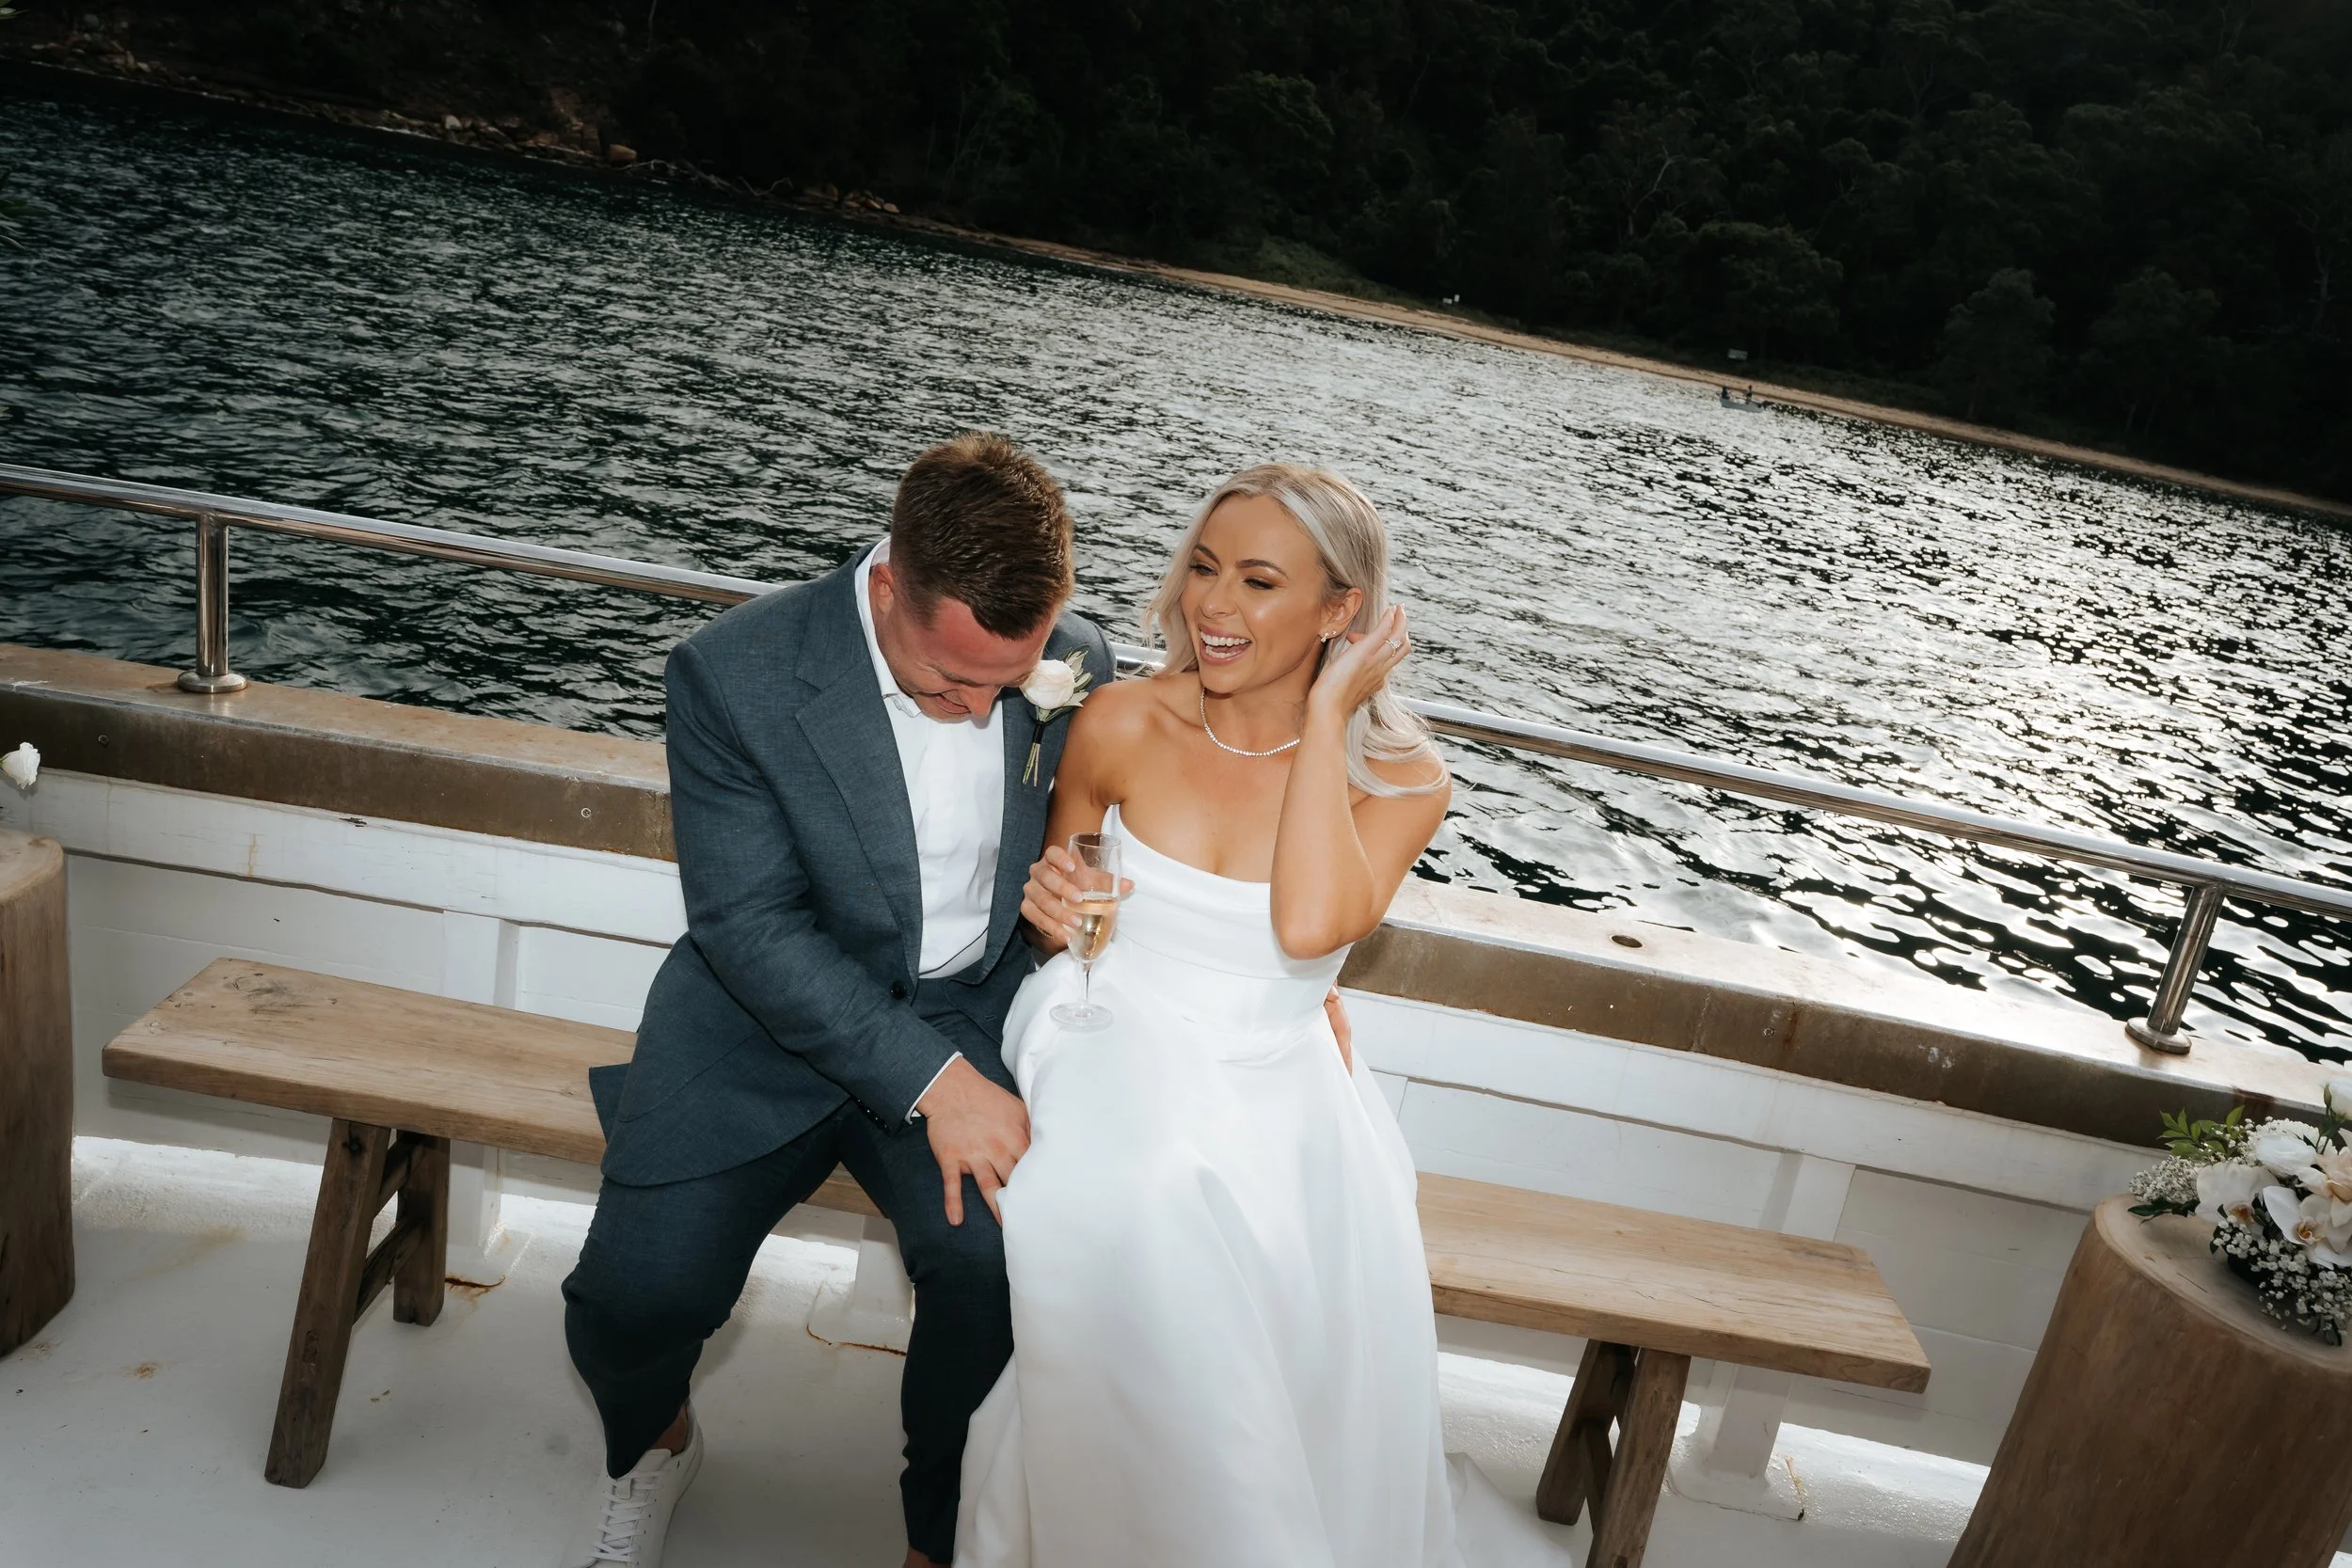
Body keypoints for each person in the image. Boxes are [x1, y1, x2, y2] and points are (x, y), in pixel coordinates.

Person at [957, 465, 1572, 1566]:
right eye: (1202, 568)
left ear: (1340, 611)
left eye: (1256, 580)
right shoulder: (1120, 719)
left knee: (1267, 1220)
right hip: (1107, 1017)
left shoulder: (1402, 779)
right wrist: (1052, 908)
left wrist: (1329, 716)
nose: (1212, 604)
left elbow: (1307, 926)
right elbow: (1065, 914)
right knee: (1152, 1187)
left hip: (1277, 1059)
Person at [559, 433, 1113, 1568]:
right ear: (889, 585)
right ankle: (656, 1441)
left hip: (967, 1010)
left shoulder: (1076, 657)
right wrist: (933, 1082)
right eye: (950, 682)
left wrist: (1076, 889)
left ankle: (940, 1538)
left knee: (1001, 1270)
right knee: (631, 1296)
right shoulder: (732, 671)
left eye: (1005, 685)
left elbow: (1092, 828)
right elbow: (749, 926)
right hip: (758, 1020)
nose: (980, 710)